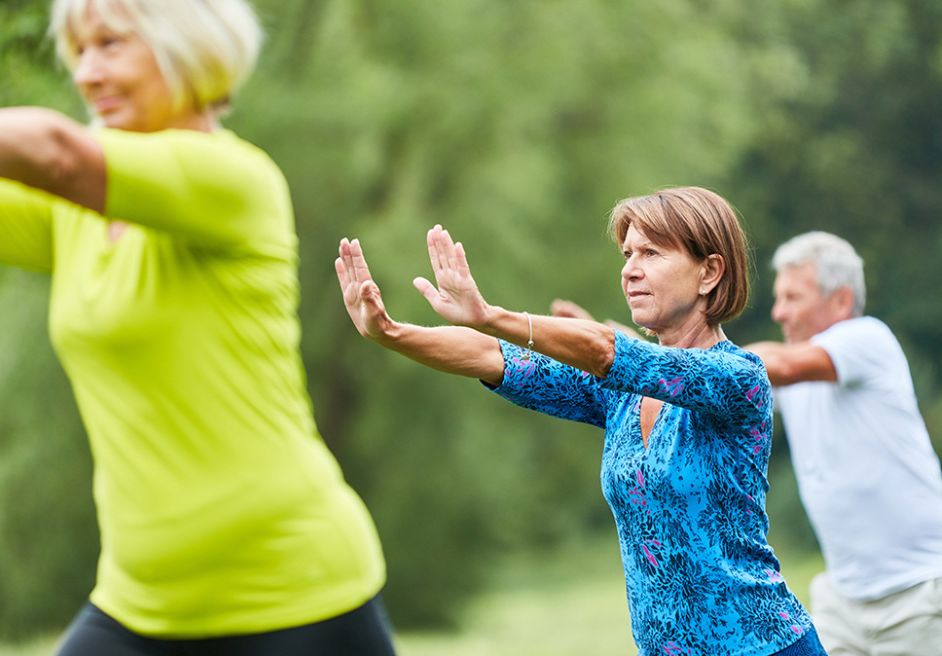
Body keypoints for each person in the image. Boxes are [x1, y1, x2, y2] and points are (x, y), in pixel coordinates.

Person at [0, 0, 395, 654]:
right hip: (140, 601)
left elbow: (57, 152)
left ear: (191, 48)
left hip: (296, 594)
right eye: (80, 51)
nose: (89, 72)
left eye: (112, 44)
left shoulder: (237, 182)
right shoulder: (75, 216)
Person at [337, 187, 828, 656]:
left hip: (763, 648)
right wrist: (392, 333)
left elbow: (605, 349)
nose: (631, 270)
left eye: (652, 254)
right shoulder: (620, 393)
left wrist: (488, 313)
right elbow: (493, 357)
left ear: (709, 272)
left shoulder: (737, 379)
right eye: (627, 255)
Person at [746, 231, 942, 655]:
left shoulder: (868, 339)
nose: (778, 312)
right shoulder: (791, 373)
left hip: (921, 593)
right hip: (842, 599)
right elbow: (710, 388)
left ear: (840, 300)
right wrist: (623, 352)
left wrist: (661, 362)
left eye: (793, 297)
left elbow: (767, 365)